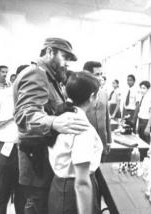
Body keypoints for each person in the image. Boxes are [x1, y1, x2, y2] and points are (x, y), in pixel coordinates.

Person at [13, 37, 89, 214]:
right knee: (37, 207)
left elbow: (45, 108)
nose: (67, 63)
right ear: (49, 52)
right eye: (65, 57)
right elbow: (26, 114)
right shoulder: (37, 74)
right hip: (37, 162)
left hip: (42, 160)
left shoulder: (49, 78)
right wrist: (54, 122)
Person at [48, 72, 103, 214]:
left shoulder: (62, 116)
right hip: (74, 195)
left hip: (59, 188)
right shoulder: (81, 126)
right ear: (92, 97)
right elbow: (82, 182)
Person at [0, 64, 28, 214]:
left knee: (23, 196)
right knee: (1, 192)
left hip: (27, 150)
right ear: (17, 77)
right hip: (5, 148)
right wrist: (13, 114)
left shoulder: (35, 98)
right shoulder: (0, 95)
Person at [83, 61, 111, 157]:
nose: (100, 78)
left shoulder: (104, 94)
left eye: (101, 74)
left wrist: (109, 141)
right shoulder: (80, 94)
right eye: (97, 74)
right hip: (85, 142)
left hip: (102, 142)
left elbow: (107, 119)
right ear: (87, 75)